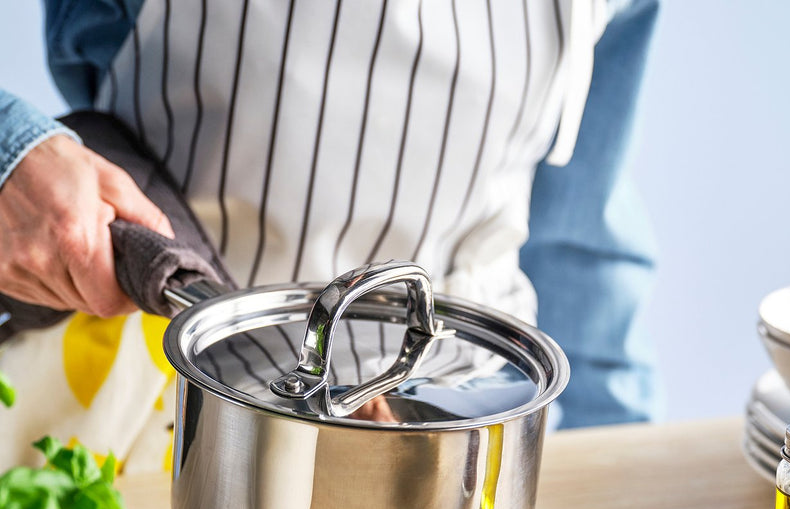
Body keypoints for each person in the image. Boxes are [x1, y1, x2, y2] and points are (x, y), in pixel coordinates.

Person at [0, 0, 660, 471]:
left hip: (462, 450)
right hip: (160, 436)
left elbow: (578, 227)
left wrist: (613, 469)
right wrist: (9, 147)